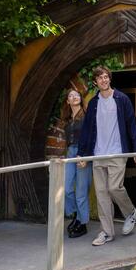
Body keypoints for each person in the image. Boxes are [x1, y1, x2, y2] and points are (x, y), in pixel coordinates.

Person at [78, 66, 136, 246]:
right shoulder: (93, 103)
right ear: (95, 82)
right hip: (98, 154)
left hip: (117, 152)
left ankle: (130, 212)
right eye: (100, 78)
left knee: (114, 188)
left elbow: (132, 124)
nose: (104, 80)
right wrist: (82, 153)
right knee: (101, 194)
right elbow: (87, 130)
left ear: (109, 79)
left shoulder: (121, 99)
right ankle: (107, 232)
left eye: (106, 77)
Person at [61, 89, 90, 238]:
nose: (74, 97)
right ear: (68, 101)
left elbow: (91, 137)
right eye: (71, 96)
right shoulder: (67, 120)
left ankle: (82, 223)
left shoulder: (86, 116)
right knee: (66, 188)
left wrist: (86, 156)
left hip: (82, 153)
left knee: (81, 191)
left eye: (77, 95)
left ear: (80, 98)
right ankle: (76, 215)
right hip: (70, 153)